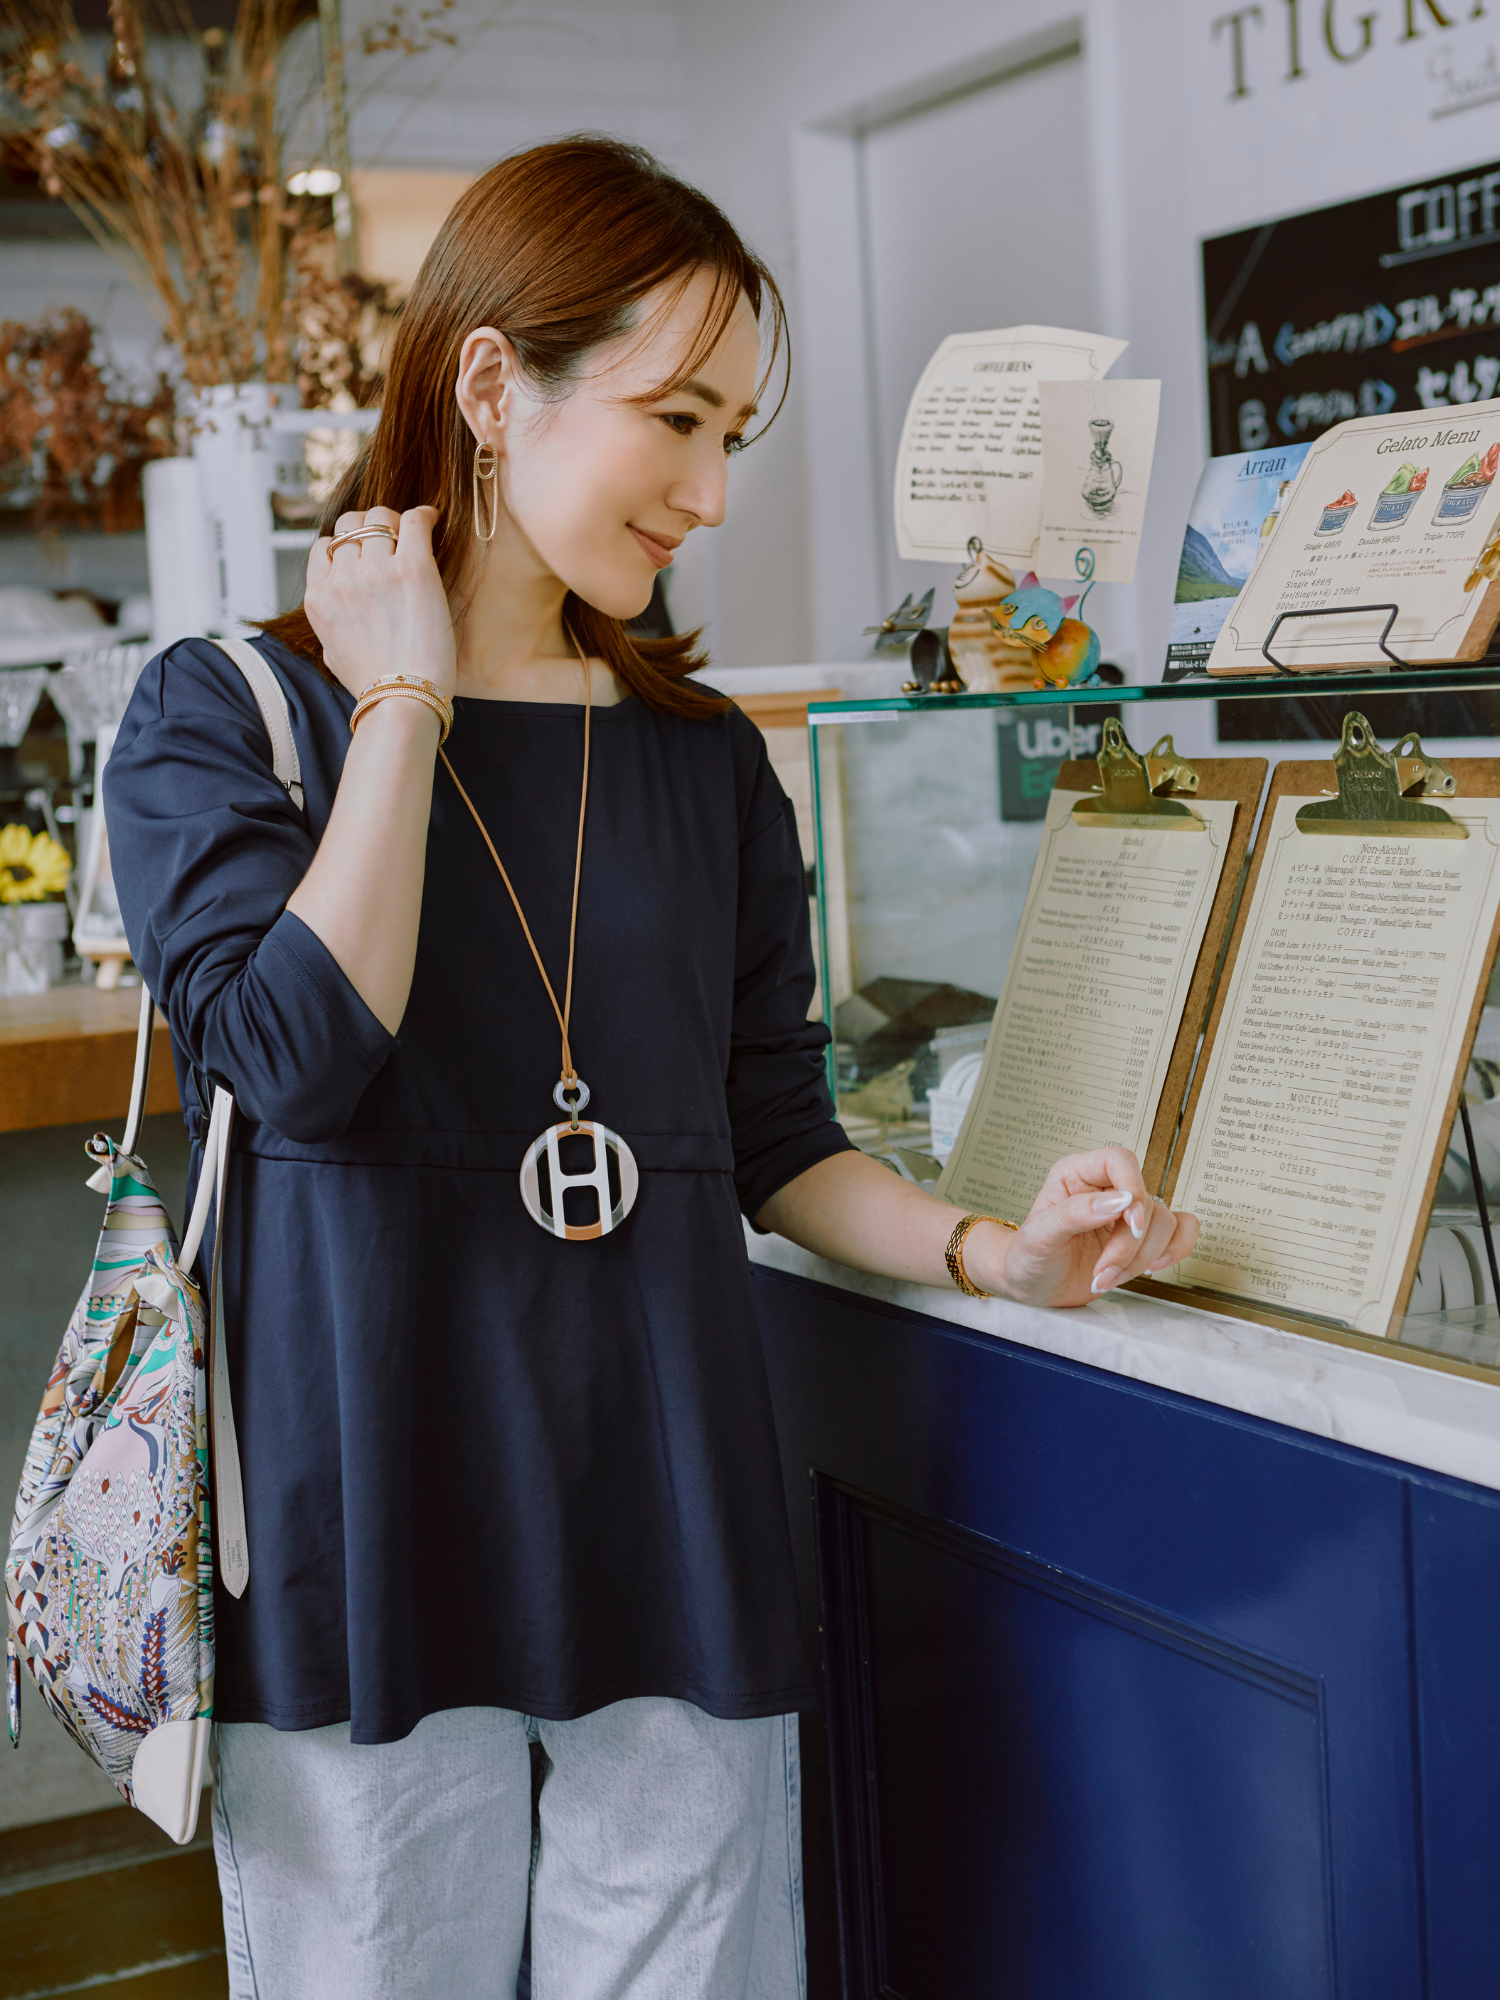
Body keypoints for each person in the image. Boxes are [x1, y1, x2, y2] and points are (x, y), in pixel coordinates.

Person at [105, 135, 1197, 2000]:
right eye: (672, 418)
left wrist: (993, 1250)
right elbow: (292, 1058)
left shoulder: (700, 763)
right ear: (485, 380)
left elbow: (773, 1129)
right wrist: (403, 703)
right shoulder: (231, 711)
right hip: (361, 1527)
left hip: (672, 1512)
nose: (706, 490)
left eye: (732, 437)